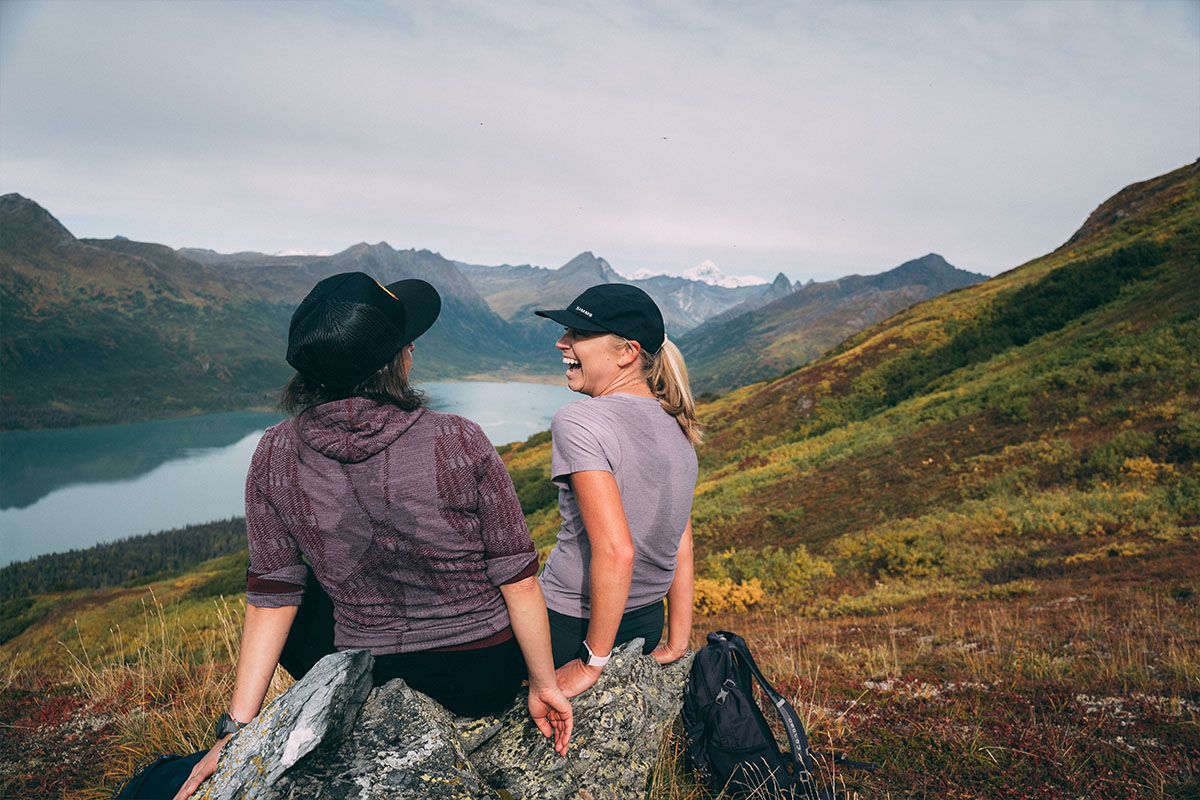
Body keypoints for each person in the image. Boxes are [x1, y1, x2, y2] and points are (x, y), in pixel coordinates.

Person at [174, 272, 571, 800]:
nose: (412, 349)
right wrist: (543, 685)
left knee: (289, 587)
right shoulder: (460, 439)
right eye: (407, 343)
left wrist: (239, 733)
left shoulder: (274, 453)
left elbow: (273, 595)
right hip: (485, 680)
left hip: (369, 682)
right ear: (397, 362)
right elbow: (517, 578)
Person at [533, 284, 701, 699]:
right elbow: (680, 538)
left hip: (572, 623)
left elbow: (616, 551)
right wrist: (678, 640)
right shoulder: (677, 424)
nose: (562, 343)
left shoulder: (580, 421)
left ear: (627, 352)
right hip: (645, 623)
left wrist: (593, 661)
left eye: (577, 334)